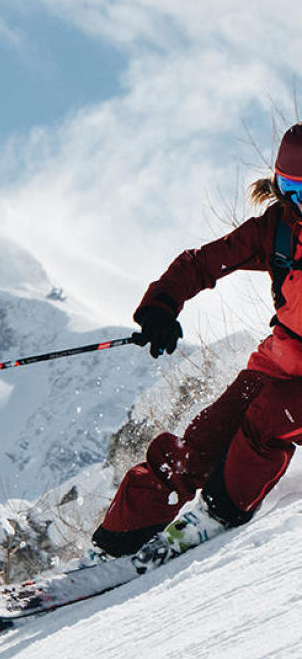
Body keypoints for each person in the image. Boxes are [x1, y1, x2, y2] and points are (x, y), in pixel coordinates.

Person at [91, 123, 302, 560]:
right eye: (287, 189)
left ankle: (219, 514)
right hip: (280, 362)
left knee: (267, 419)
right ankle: (117, 544)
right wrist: (161, 306)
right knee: (200, 442)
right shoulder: (278, 229)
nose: (294, 203)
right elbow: (201, 263)